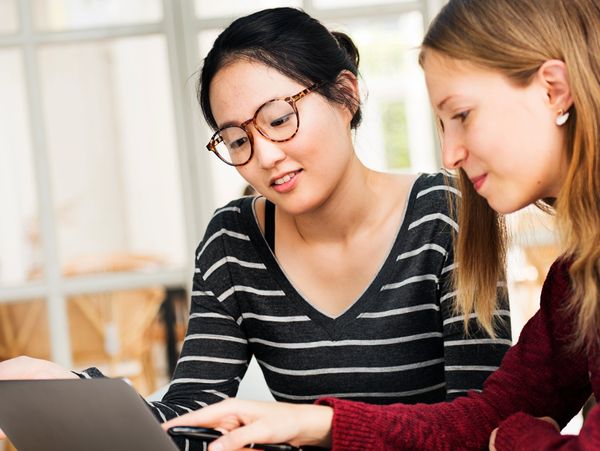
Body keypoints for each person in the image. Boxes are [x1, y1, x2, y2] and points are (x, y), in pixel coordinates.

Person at [0, 6, 511, 449]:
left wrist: (316, 425)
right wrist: (70, 389)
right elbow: (193, 416)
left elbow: (480, 426)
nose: (265, 156)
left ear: (346, 95)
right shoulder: (234, 240)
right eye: (237, 141)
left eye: (279, 118)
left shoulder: (447, 215)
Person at [160, 0, 600, 450]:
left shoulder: (442, 214)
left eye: (463, 115)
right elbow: (488, 416)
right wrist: (313, 424)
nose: (449, 154)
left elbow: (495, 425)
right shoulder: (579, 274)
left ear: (554, 90)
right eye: (236, 140)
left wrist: (509, 439)